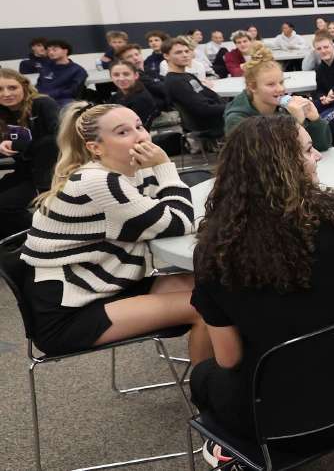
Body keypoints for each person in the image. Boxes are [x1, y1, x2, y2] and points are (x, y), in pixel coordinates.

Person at [190, 115, 334, 462]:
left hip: (279, 421)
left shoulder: (216, 255)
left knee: (203, 376)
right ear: (283, 166)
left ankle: (234, 452)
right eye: (309, 149)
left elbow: (229, 358)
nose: (318, 156)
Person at [19, 103, 208, 362]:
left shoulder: (131, 170)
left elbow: (167, 214)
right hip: (69, 312)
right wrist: (165, 165)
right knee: (207, 308)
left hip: (104, 286)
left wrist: (157, 174)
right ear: (95, 148)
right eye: (122, 132)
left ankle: (235, 376)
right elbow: (178, 221)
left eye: (139, 126)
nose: (140, 136)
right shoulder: (98, 182)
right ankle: (209, 396)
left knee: (220, 288)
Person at [223, 55, 331, 151]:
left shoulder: (285, 107)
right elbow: (265, 157)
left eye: (281, 82)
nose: (280, 89)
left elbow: (321, 146)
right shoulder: (236, 120)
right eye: (271, 84)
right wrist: (295, 122)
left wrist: (315, 120)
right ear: (253, 87)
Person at [0, 69, 59, 238]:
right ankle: (11, 243)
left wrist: (18, 144)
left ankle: (44, 236)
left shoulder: (42, 104)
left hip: (49, 174)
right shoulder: (3, 113)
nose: (6, 94)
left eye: (12, 88)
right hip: (24, 171)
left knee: (4, 206)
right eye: (0, 90)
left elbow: (57, 139)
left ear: (24, 87)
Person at [164, 37, 225, 137]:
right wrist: (232, 107)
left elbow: (211, 95)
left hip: (214, 116)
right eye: (178, 52)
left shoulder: (188, 76)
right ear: (166, 56)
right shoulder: (175, 82)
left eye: (187, 51)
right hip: (207, 124)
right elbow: (202, 109)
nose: (185, 55)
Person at [36, 39, 88, 107]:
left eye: (54, 50)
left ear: (65, 51)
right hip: (42, 99)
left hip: (63, 100)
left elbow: (73, 91)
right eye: (48, 50)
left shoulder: (78, 70)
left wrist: (49, 95)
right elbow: (39, 85)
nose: (51, 53)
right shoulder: (46, 68)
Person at [108, 60, 159, 128]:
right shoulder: (119, 94)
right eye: (116, 75)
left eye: (126, 74)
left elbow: (137, 128)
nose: (121, 78)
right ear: (111, 77)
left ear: (136, 75)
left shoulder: (141, 99)